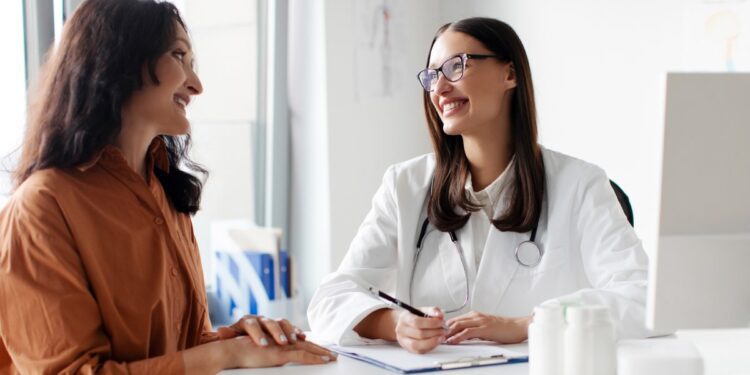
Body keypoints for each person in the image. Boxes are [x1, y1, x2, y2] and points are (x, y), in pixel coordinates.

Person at [0, 0, 335, 373]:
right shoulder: (41, 208)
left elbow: (178, 351)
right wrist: (223, 355)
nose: (197, 85)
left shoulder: (165, 192)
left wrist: (235, 340)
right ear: (120, 60)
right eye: (179, 56)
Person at [307, 17, 650, 354]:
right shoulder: (404, 186)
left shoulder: (580, 184)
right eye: (432, 76)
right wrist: (396, 323)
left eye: (456, 66)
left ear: (510, 74)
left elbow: (643, 295)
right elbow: (330, 299)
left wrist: (526, 324)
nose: (439, 88)